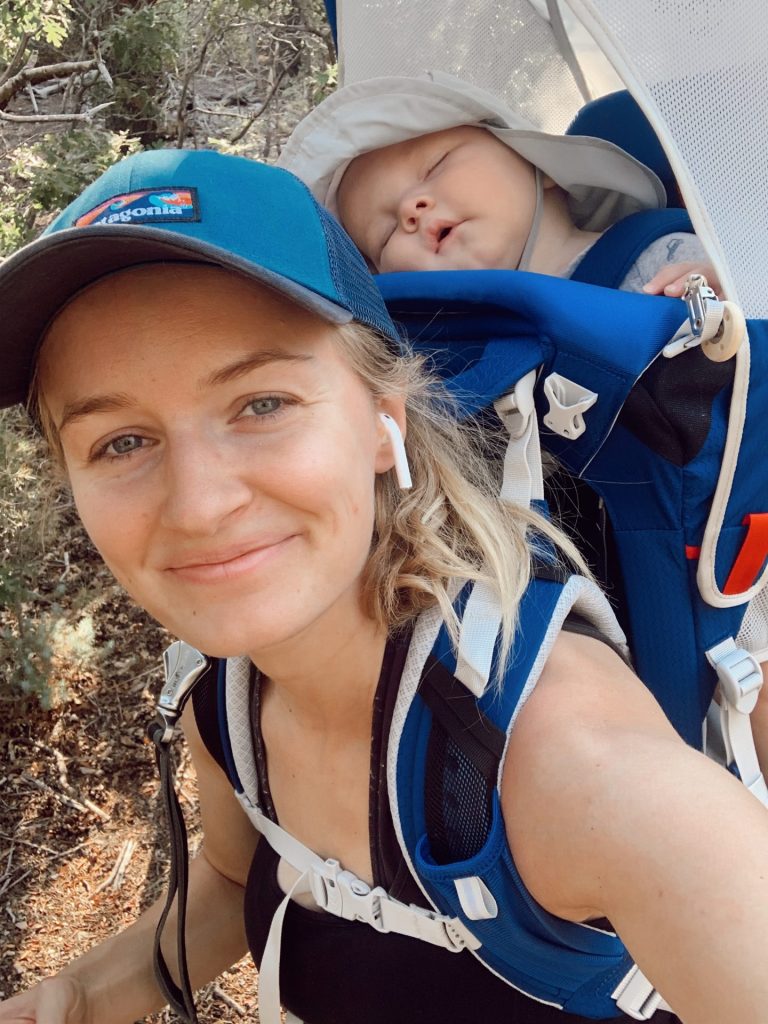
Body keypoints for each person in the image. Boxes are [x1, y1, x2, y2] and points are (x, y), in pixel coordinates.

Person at [1, 148, 768, 1024]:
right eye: (121, 443)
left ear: (383, 422)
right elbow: (232, 878)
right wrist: (79, 996)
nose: (200, 505)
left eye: (262, 405)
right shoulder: (229, 694)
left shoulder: (575, 774)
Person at [278, 71, 722, 296]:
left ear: (540, 163)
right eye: (385, 233)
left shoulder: (659, 260)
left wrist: (726, 290)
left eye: (436, 165)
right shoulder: (438, 356)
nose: (411, 209)